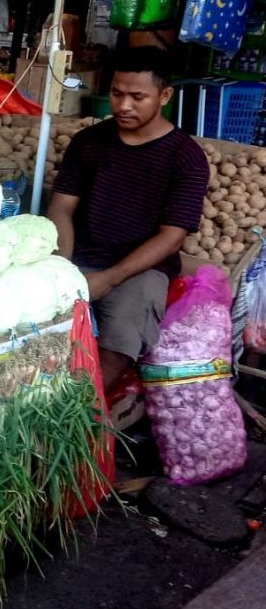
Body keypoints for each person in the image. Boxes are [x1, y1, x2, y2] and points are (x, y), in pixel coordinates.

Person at [48, 46, 209, 393]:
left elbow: (172, 236)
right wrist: (62, 267)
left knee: (121, 332)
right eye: (117, 94)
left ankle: (81, 411)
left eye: (138, 97)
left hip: (139, 269)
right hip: (79, 256)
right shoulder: (89, 142)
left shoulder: (187, 158)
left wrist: (108, 279)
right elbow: (62, 206)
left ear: (164, 95)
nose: (123, 106)